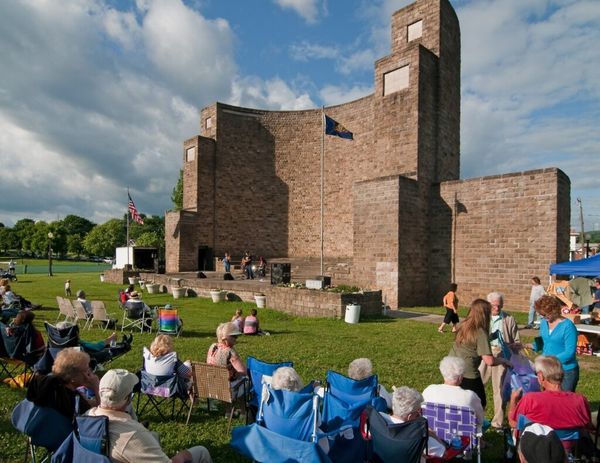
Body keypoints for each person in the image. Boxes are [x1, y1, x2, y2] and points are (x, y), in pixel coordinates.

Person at [85, 369, 213, 463]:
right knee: (201, 451)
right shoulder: (133, 435)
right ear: (128, 399)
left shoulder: (88, 416)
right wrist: (182, 456)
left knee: (153, 436)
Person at [448, 299, 510, 409]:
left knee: (456, 401)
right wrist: (503, 360)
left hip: (450, 368)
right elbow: (489, 361)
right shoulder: (480, 332)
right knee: (479, 403)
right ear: (484, 314)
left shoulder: (464, 325)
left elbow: (472, 341)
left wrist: (491, 337)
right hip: (467, 373)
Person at [508, 355, 591, 432]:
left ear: (540, 376)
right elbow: (588, 425)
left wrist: (513, 400)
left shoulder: (530, 400)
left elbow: (513, 423)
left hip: (539, 442)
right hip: (571, 443)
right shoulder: (580, 400)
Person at [478, 291, 520, 430]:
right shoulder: (482, 318)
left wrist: (513, 351)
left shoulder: (509, 319)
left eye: (499, 306)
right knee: (477, 386)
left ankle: (498, 422)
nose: (497, 308)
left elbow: (516, 340)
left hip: (502, 354)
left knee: (500, 390)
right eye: (494, 305)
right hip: (484, 353)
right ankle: (476, 418)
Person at [27, 348, 100, 418]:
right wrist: (96, 387)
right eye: (86, 370)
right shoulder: (72, 400)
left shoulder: (50, 384)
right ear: (72, 377)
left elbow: (90, 403)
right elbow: (100, 412)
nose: (89, 373)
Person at [380, 386, 447, 460]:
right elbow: (443, 454)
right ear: (410, 416)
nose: (420, 415)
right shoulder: (420, 436)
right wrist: (433, 434)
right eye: (418, 412)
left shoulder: (378, 418)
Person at [422, 356, 484, 431]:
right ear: (460, 377)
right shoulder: (469, 396)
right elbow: (480, 419)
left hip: (432, 434)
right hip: (461, 436)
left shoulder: (429, 390)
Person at [533, 295, 578, 391]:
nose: (544, 317)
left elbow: (570, 352)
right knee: (548, 398)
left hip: (565, 371)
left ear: (554, 310)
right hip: (547, 370)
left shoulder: (568, 326)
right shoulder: (544, 323)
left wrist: (549, 362)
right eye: (542, 315)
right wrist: (527, 345)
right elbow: (544, 342)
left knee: (564, 399)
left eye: (546, 314)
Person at [206, 322, 247, 395]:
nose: (236, 339)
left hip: (211, 386)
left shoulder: (212, 347)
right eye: (234, 336)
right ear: (225, 338)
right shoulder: (230, 352)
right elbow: (243, 372)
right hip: (226, 390)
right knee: (247, 379)